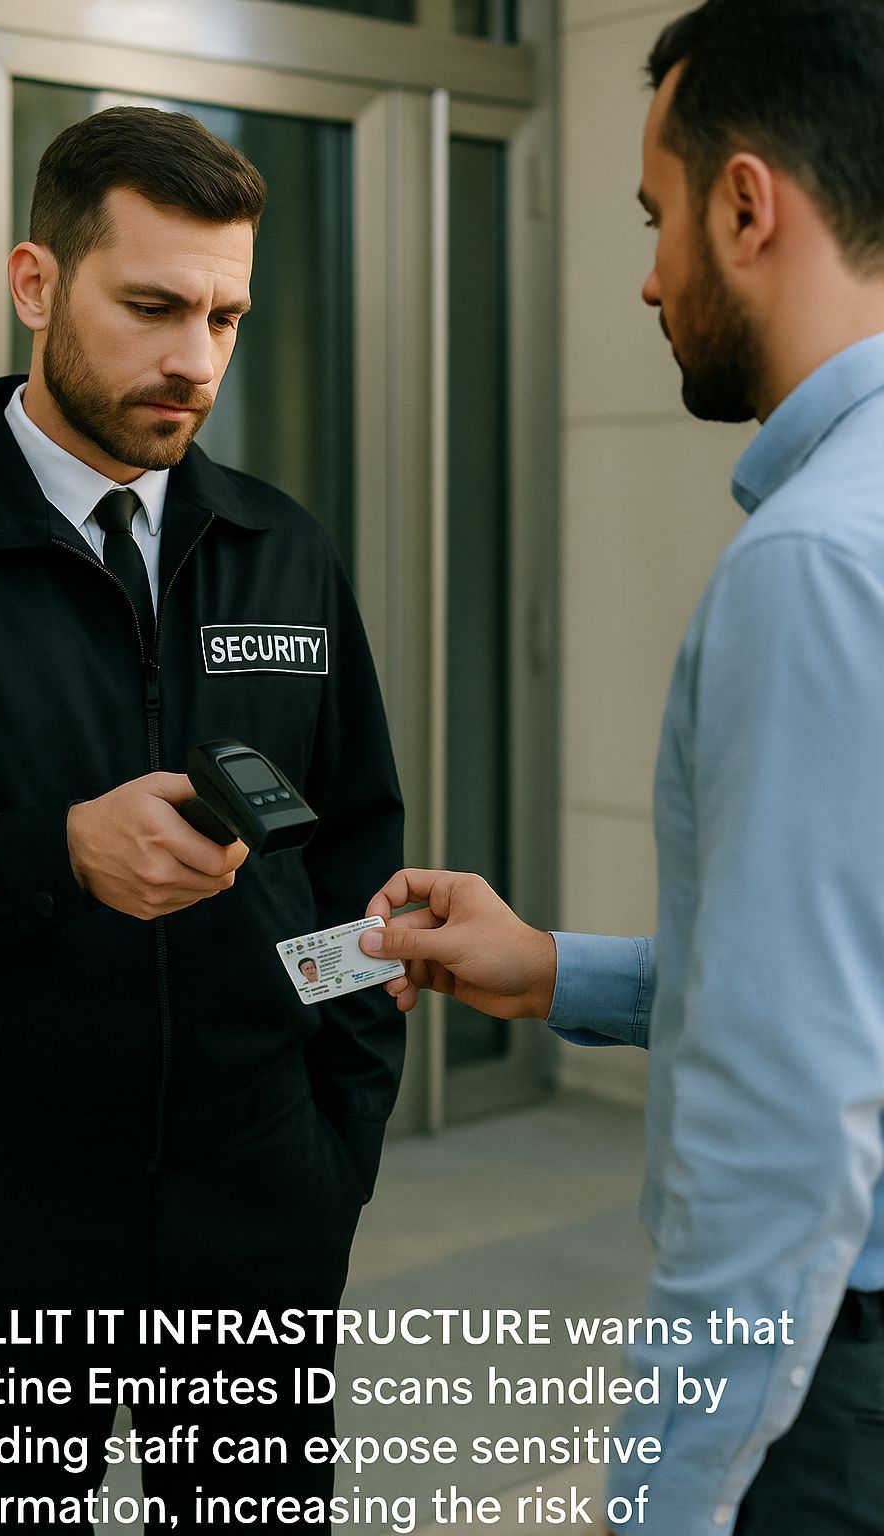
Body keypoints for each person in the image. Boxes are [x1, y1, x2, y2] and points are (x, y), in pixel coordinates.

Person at [360, 2, 884, 1532]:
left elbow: (790, 1119)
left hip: (831, 1392)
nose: (648, 279)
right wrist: (556, 972)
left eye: (656, 220)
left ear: (745, 204)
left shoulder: (813, 566)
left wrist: (660, 1502)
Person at [0, 106, 404, 1532]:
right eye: (153, 305)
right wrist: (53, 855)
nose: (196, 360)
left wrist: (337, 1131)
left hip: (259, 1192)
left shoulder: (280, 544)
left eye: (225, 313)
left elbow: (353, 844)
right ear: (37, 284)